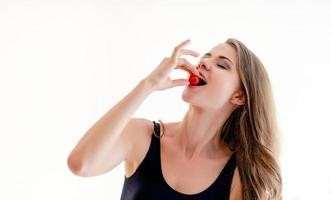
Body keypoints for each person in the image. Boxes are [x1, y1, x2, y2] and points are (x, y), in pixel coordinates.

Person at [67, 38, 282, 200]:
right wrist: (148, 84)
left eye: (222, 65)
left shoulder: (238, 175)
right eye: (206, 56)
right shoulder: (142, 136)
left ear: (239, 96)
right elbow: (81, 164)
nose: (204, 63)